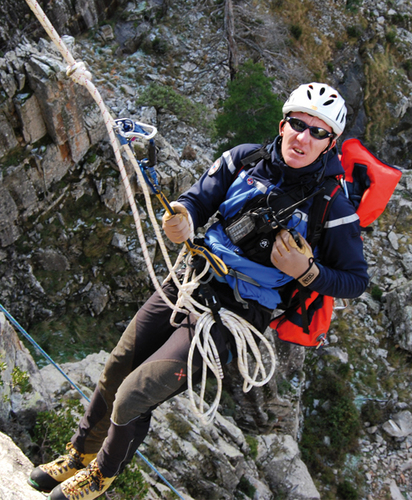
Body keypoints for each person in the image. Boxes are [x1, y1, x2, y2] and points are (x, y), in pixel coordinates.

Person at [29, 82, 369, 500]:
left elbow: (356, 279)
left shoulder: (332, 205)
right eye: (298, 124)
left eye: (318, 132)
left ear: (330, 144)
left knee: (136, 393)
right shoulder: (243, 160)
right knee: (117, 367)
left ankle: (101, 474)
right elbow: (199, 198)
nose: (304, 138)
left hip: (235, 315)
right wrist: (184, 217)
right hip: (194, 278)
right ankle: (78, 454)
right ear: (283, 125)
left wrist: (308, 271)